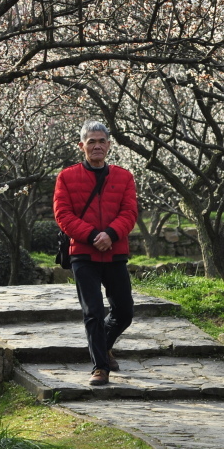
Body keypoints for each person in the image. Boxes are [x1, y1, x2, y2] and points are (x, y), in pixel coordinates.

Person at [53, 120, 138, 386]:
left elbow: (129, 212)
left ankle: (104, 345)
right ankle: (100, 367)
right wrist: (92, 236)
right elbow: (62, 214)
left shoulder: (124, 177)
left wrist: (110, 234)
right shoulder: (66, 177)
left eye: (102, 141)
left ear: (109, 146)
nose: (97, 146)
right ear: (82, 146)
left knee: (124, 311)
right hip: (83, 253)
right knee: (93, 311)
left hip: (115, 252)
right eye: (92, 141)